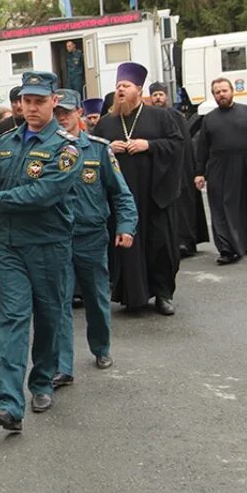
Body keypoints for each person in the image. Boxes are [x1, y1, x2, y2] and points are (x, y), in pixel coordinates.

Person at [0, 71, 83, 435]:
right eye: (25, 101)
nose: (30, 108)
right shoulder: (3, 144)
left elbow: (44, 193)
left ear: (53, 103)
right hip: (9, 248)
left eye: (38, 101)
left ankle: (43, 380)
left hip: (48, 246)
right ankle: (9, 404)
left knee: (49, 319)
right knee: (12, 322)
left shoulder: (67, 148)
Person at [49, 90, 137, 389]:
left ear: (79, 115)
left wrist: (125, 225)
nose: (62, 117)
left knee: (96, 298)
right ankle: (62, 365)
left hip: (91, 237)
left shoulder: (99, 150)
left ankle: (101, 347)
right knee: (59, 301)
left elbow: (121, 193)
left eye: (67, 112)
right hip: (57, 238)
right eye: (57, 112)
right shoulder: (47, 150)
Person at [93, 63, 184, 315]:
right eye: (118, 86)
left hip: (154, 195)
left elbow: (178, 145)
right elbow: (92, 152)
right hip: (120, 198)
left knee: (160, 245)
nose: (120, 90)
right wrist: (110, 147)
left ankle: (164, 294)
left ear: (139, 90)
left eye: (126, 86)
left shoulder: (161, 116)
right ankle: (133, 296)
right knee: (125, 246)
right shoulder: (106, 123)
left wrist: (149, 145)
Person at [194, 78, 247, 265]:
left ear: (232, 91)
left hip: (245, 163)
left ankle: (246, 242)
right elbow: (202, 148)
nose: (221, 94)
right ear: (213, 96)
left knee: (245, 205)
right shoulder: (209, 119)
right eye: (217, 92)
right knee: (220, 207)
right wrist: (199, 173)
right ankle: (227, 249)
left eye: (224, 90)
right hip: (218, 167)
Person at [150, 83, 209, 257]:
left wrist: (192, 170)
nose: (158, 98)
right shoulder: (150, 117)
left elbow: (186, 146)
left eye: (161, 94)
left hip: (181, 169)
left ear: (166, 96)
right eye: (155, 95)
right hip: (160, 170)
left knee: (184, 207)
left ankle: (185, 241)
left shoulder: (176, 116)